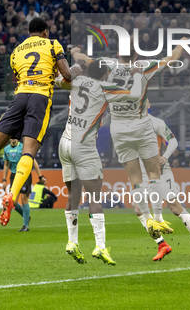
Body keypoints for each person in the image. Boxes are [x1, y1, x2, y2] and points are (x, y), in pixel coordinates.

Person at [0, 18, 74, 227]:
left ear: (29, 32)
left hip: (19, 97)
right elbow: (67, 75)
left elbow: (20, 77)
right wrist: (57, 76)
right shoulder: (53, 44)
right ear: (45, 31)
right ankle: (12, 194)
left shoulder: (16, 51)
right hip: (40, 98)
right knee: (29, 150)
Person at [71, 42, 185, 243]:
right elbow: (172, 60)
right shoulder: (144, 66)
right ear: (136, 54)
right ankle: (157, 218)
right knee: (153, 173)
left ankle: (148, 219)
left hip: (118, 127)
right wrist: (181, 44)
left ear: (117, 54)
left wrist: (74, 51)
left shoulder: (107, 64)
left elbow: (83, 60)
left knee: (135, 180)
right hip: (141, 125)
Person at [55, 59, 143, 265]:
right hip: (83, 145)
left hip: (64, 143)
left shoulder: (76, 81)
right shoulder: (106, 87)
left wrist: (75, 66)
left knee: (73, 195)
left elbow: (59, 79)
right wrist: (137, 74)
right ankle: (100, 247)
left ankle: (72, 242)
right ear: (104, 76)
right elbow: (135, 95)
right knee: (95, 196)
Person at [137, 114, 190, 262]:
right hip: (143, 173)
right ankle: (162, 244)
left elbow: (173, 141)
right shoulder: (128, 125)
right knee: (139, 210)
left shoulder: (156, 123)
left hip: (161, 172)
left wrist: (166, 156)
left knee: (175, 208)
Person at [2, 138, 44, 232]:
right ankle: (26, 216)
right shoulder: (6, 149)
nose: (13, 140)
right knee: (13, 202)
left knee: (24, 198)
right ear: (9, 139)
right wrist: (4, 179)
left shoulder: (24, 147)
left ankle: (26, 226)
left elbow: (33, 161)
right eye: (11, 138)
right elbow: (6, 164)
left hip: (25, 174)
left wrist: (40, 176)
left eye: (15, 138)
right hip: (14, 176)